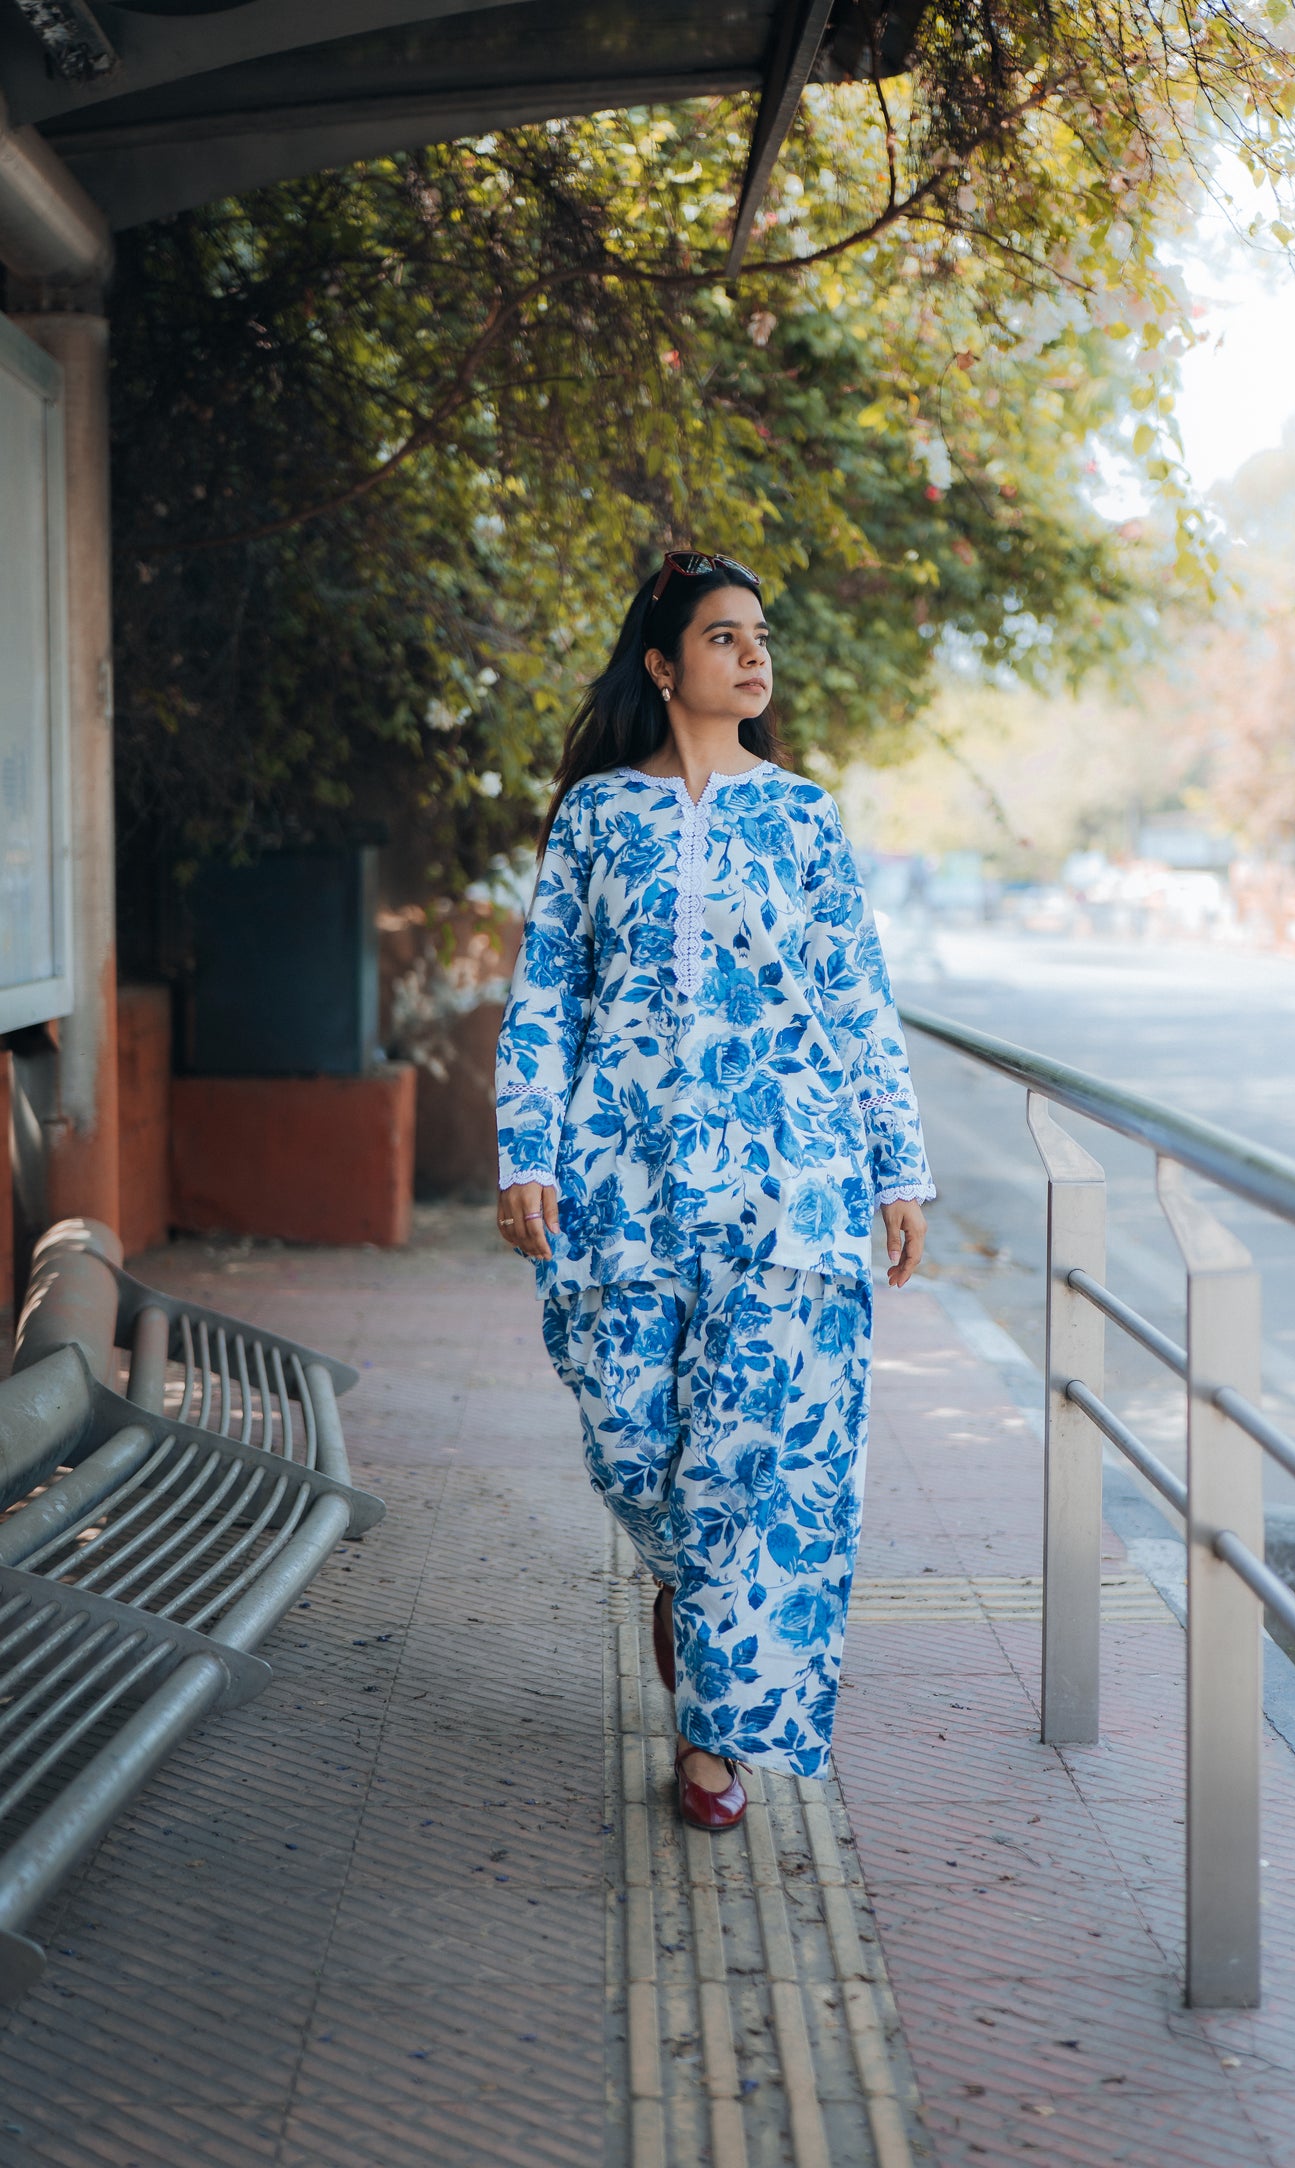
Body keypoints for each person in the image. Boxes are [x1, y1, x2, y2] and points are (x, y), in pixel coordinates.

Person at [493, 550, 933, 1832]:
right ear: (661, 662)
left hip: (791, 1181)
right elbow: (545, 992)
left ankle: (711, 1731)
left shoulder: (802, 817)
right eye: (723, 636)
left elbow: (855, 997)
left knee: (753, 1453)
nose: (751, 656)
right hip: (618, 1180)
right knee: (628, 1437)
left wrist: (896, 1167)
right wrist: (526, 1149)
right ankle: (691, 1589)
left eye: (759, 638)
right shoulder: (595, 816)